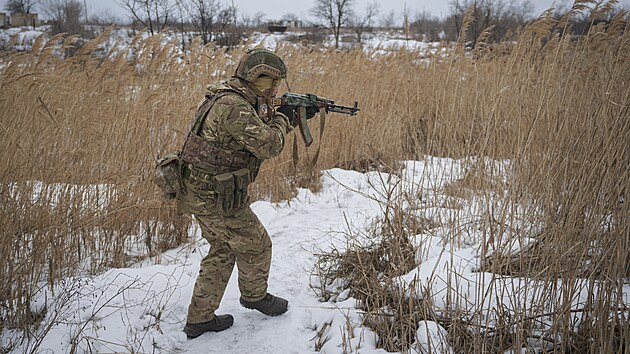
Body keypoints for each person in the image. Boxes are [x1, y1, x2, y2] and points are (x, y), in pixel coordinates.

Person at [177, 48, 318, 339]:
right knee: (258, 244)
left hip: (201, 189)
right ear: (255, 79)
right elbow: (268, 145)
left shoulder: (231, 96)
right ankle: (254, 297)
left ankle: (200, 319)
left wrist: (286, 111)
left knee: (224, 247)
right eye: (270, 84)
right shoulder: (234, 106)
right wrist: (286, 119)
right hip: (215, 196)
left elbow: (252, 129)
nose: (275, 89)